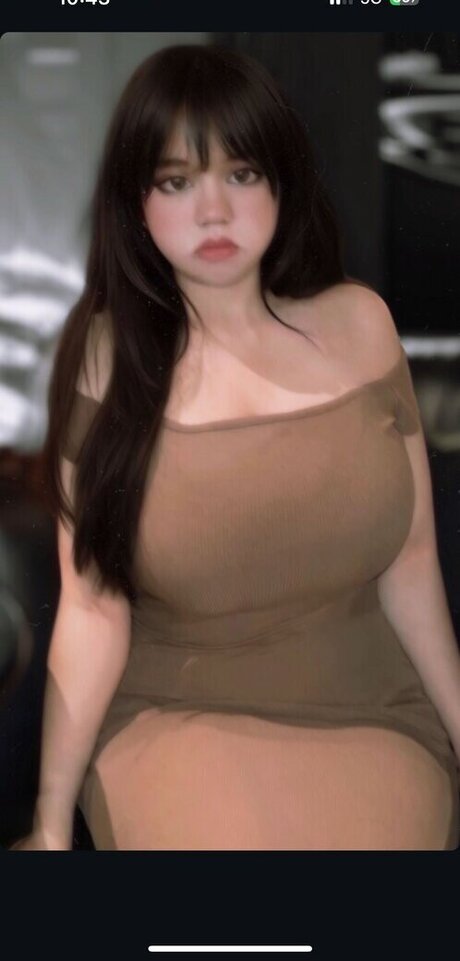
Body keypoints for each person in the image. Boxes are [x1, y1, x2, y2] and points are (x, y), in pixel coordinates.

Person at [10, 43, 460, 851]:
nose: (213, 211)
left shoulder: (363, 326)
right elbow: (92, 609)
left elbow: (413, 564)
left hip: (372, 710)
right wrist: (49, 822)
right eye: (177, 182)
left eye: (241, 173)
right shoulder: (108, 360)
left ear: (281, 181)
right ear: (136, 201)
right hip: (175, 715)